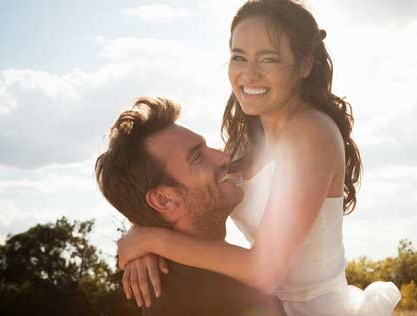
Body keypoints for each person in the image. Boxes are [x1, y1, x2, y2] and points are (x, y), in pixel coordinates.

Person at [118, 0, 401, 315]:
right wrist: (139, 235)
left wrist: (152, 240)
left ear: (304, 65)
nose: (249, 74)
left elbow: (264, 271)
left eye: (268, 59)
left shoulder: (311, 133)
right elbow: (188, 196)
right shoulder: (243, 141)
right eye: (239, 57)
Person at [95, 96, 286, 316]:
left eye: (206, 148)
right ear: (164, 200)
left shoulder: (184, 278)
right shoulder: (220, 300)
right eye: (197, 157)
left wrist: (144, 236)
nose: (223, 156)